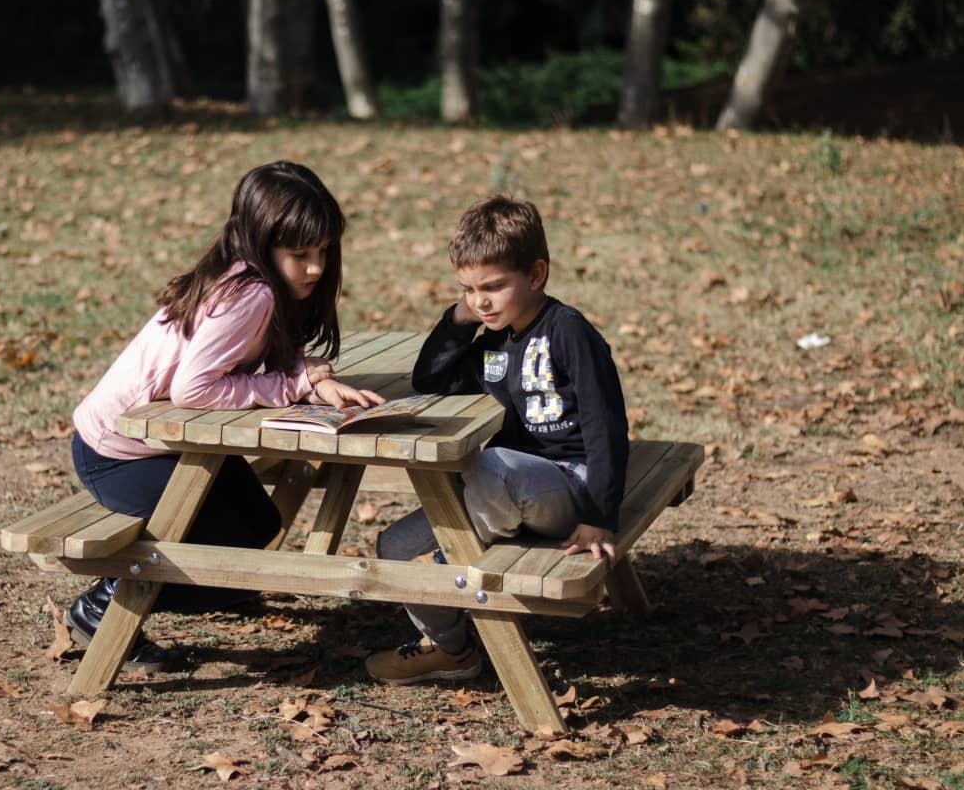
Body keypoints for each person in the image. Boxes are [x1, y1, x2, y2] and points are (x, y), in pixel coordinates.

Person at [67, 161, 383, 673]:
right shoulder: (249, 293)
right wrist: (293, 385)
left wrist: (313, 377)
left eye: (323, 252)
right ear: (261, 243)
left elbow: (269, 354)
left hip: (157, 445)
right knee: (233, 556)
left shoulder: (256, 282)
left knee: (259, 527)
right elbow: (194, 388)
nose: (316, 267)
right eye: (300, 254)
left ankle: (190, 590)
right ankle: (109, 600)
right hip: (118, 452)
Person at [365, 195, 629, 685]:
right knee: (395, 545)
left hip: (570, 487)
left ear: (536, 274)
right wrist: (458, 320)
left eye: (493, 287)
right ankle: (451, 649)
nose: (480, 301)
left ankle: (449, 561)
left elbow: (606, 425)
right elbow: (430, 379)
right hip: (506, 489)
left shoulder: (568, 331)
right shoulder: (492, 339)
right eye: (468, 289)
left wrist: (599, 517)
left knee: (485, 466)